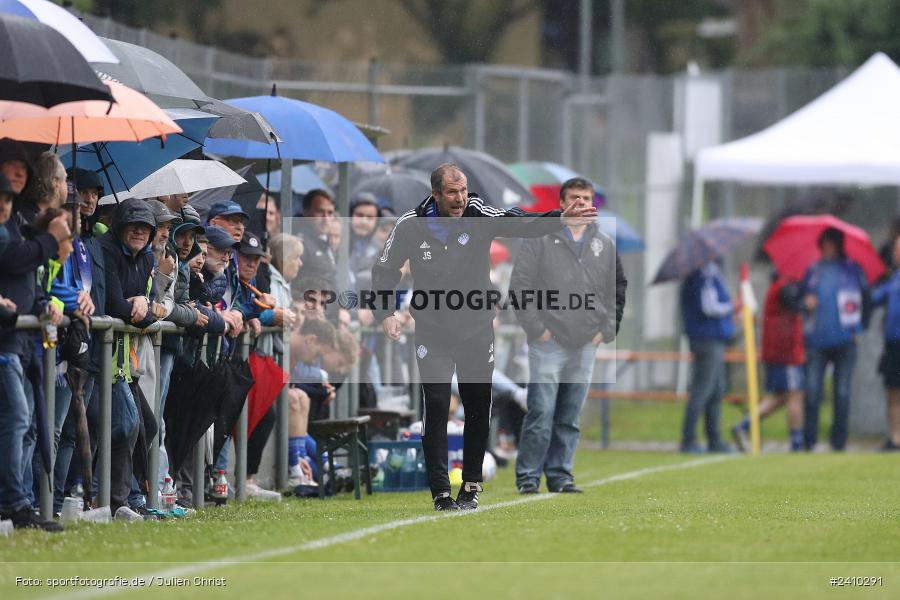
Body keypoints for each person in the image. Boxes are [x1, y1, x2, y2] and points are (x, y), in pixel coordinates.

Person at [371, 163, 596, 511]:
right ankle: (440, 492)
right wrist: (385, 313)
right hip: (432, 331)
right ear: (435, 194)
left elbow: (517, 221)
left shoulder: (477, 213)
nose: (460, 198)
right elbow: (385, 269)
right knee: (436, 406)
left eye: (463, 190)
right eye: (452, 192)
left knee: (478, 407)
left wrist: (559, 218)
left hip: (476, 330)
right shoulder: (410, 225)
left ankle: (471, 485)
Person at [510, 177, 627, 494]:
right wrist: (538, 329)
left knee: (570, 416)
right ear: (561, 203)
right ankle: (528, 477)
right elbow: (520, 286)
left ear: (592, 204)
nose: (580, 203)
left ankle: (561, 476)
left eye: (585, 198)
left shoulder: (604, 243)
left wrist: (608, 329)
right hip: (548, 343)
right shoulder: (539, 239)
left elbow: (617, 288)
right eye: (574, 197)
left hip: (586, 343)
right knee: (541, 412)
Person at [0, 169, 69, 531]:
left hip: (22, 342)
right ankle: (14, 503)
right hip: (8, 342)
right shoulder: (13, 230)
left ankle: (17, 502)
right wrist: (51, 239)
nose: (4, 205)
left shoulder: (14, 224)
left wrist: (44, 304)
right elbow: (14, 260)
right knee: (16, 419)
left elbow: (28, 279)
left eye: (8, 199)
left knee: (24, 423)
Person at [98, 198, 165, 519]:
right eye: (133, 225)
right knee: (126, 423)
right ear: (120, 226)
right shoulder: (106, 250)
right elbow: (113, 305)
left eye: (145, 227)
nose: (139, 231)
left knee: (146, 425)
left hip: (126, 359)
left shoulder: (147, 257)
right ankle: (114, 499)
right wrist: (139, 307)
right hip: (100, 356)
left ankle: (131, 495)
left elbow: (150, 308)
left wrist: (142, 304)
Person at [801, 227, 868, 451]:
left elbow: (866, 298)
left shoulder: (852, 269)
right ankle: (809, 440)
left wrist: (861, 326)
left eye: (831, 243)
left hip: (845, 340)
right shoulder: (813, 270)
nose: (827, 248)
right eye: (824, 243)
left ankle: (838, 442)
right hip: (816, 341)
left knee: (842, 393)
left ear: (838, 245)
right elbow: (800, 298)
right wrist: (805, 303)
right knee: (812, 391)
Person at [731, 272, 806, 452]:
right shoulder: (784, 287)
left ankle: (744, 425)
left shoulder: (779, 287)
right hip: (785, 351)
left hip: (780, 350)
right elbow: (794, 305)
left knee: (781, 397)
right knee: (795, 394)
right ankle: (796, 441)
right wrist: (807, 302)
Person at [679, 260, 736, 454]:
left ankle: (714, 439)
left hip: (713, 337)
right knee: (703, 389)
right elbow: (709, 306)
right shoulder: (702, 276)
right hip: (706, 338)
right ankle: (689, 439)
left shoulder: (708, 273)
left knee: (716, 389)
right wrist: (732, 306)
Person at [870, 236, 900, 450]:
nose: (896, 253)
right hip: (894, 346)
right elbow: (873, 299)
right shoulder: (892, 279)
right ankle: (896, 438)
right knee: (893, 392)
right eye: (896, 249)